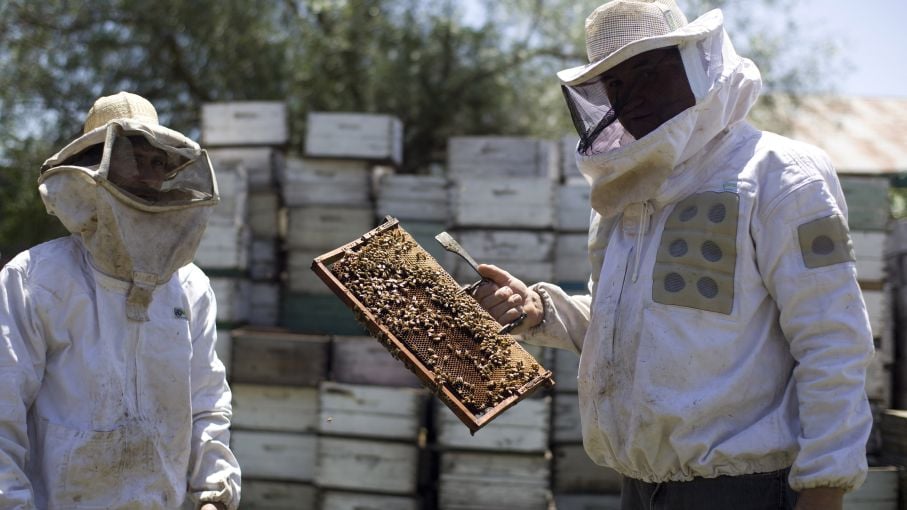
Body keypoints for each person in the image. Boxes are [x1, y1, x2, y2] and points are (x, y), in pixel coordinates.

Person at [474, 1, 873, 509]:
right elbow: (629, 323)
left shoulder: (781, 174)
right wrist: (541, 311)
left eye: (646, 71)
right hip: (638, 486)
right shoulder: (625, 196)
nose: (629, 97)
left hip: (744, 488)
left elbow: (833, 341)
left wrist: (824, 488)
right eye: (613, 84)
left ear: (694, 65)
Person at [0, 92, 241, 509]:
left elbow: (206, 403)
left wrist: (213, 493)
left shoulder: (190, 287)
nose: (147, 175)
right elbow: (3, 416)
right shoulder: (34, 280)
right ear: (92, 168)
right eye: (133, 157)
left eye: (157, 163)